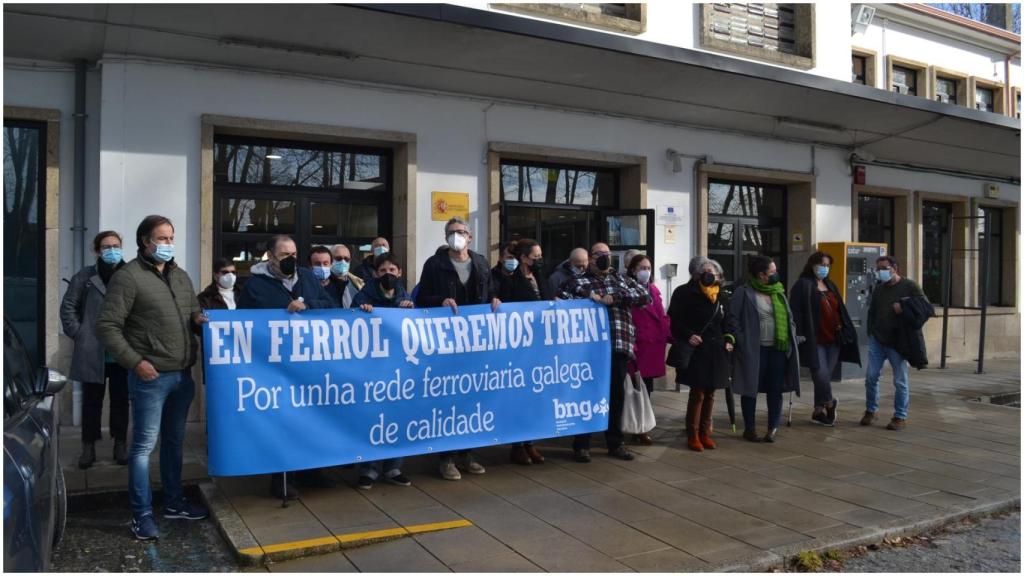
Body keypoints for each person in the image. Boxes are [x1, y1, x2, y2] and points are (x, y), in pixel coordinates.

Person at [97, 215, 209, 540]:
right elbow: (107, 326)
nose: (168, 244)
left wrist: (199, 320)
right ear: (145, 241)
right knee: (144, 447)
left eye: (171, 238)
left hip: (181, 376)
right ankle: (141, 514)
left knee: (174, 443)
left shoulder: (181, 276)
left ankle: (174, 502)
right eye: (162, 238)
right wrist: (135, 362)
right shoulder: (128, 278)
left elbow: (190, 314)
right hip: (150, 377)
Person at [237, 235, 336, 499]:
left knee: (312, 420)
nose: (290, 259)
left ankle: (311, 471)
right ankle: (282, 478)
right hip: (276, 366)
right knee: (283, 422)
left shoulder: (307, 277)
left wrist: (308, 306)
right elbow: (243, 324)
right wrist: (283, 311)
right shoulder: (255, 286)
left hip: (310, 362)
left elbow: (330, 305)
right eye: (284, 255)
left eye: (293, 254)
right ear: (270, 257)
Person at [415, 217, 500, 480]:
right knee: (448, 400)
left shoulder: (481, 262)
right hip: (447, 343)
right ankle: (446, 458)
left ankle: (466, 453)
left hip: (474, 343)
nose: (457, 236)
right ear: (445, 237)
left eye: (461, 232)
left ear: (470, 236)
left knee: (471, 399)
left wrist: (496, 299)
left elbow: (491, 292)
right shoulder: (434, 264)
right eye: (452, 232)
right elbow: (420, 299)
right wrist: (440, 300)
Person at [558, 242, 652, 462]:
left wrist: (616, 297)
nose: (604, 258)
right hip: (587, 350)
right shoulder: (576, 281)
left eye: (607, 254)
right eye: (599, 254)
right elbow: (559, 302)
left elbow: (644, 297)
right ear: (590, 258)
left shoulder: (621, 280)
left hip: (617, 346)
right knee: (587, 395)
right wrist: (586, 299)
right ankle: (582, 444)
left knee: (616, 396)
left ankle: (615, 442)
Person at [61, 230, 130, 469]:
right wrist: (80, 334)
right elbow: (68, 307)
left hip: (123, 351)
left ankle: (120, 444)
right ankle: (88, 446)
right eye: (106, 246)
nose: (111, 250)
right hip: (92, 350)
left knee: (121, 400)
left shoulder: (131, 274)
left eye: (116, 245)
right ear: (97, 250)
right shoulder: (85, 276)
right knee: (92, 402)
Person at [351, 253, 413, 490]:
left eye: (392, 271)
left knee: (397, 415)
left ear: (399, 273)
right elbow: (350, 320)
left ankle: (394, 467)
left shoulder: (403, 295)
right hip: (372, 369)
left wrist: (411, 309)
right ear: (376, 274)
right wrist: (361, 310)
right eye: (383, 271)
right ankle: (369, 468)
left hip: (398, 367)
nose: (388, 275)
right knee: (372, 417)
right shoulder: (364, 295)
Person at [724, 255, 800, 444]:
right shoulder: (744, 292)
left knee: (776, 389)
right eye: (772, 272)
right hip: (753, 349)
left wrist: (791, 337)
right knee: (751, 388)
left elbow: (789, 318)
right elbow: (733, 319)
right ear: (761, 275)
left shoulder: (779, 291)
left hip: (778, 349)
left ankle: (772, 427)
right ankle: (749, 428)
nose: (776, 275)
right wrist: (742, 340)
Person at [494, 238, 552, 465]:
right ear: (523, 258)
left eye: (540, 256)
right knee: (519, 396)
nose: (539, 260)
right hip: (519, 346)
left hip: (540, 345)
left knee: (535, 396)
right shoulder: (510, 279)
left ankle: (531, 442)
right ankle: (518, 444)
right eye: (535, 257)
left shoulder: (540, 277)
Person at [789, 252, 859, 427]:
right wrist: (797, 332)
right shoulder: (803, 285)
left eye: (828, 265)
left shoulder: (830, 285)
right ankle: (829, 402)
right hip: (815, 339)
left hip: (834, 338)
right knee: (820, 374)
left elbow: (840, 309)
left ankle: (818, 411)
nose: (825, 268)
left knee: (824, 376)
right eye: (822, 265)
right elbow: (795, 311)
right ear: (812, 265)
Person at [669, 257, 731, 452]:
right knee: (698, 393)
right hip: (697, 349)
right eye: (705, 271)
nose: (709, 274)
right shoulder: (684, 293)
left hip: (717, 349)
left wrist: (730, 339)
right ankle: (693, 433)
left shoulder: (722, 295)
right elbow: (674, 320)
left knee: (711, 392)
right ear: (697, 275)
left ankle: (706, 433)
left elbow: (727, 321)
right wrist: (688, 335)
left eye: (713, 271)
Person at [861, 255, 928, 431]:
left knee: (900, 380)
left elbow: (925, 308)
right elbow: (872, 311)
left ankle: (900, 416)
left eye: (884, 268)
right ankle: (871, 410)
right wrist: (871, 332)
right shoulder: (880, 289)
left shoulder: (909, 286)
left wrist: (903, 308)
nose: (881, 272)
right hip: (878, 339)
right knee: (871, 377)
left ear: (895, 268)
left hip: (898, 341)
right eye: (878, 269)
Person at [625, 254, 671, 446]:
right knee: (634, 389)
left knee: (647, 389)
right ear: (633, 270)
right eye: (642, 267)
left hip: (653, 346)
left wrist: (668, 333)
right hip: (639, 346)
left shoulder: (653, 289)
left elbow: (661, 315)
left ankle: (643, 427)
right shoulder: (627, 289)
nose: (646, 271)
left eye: (648, 267)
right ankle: (636, 427)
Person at [325, 244, 364, 308]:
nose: (343, 262)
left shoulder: (357, 284)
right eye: (338, 258)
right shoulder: (324, 283)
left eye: (346, 259)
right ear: (330, 260)